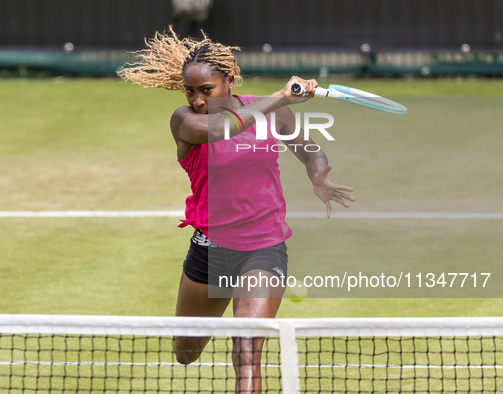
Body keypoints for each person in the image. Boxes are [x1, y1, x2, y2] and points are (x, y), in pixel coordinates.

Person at [118, 27, 355, 393]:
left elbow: (310, 150)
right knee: (185, 352)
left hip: (263, 247)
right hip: (210, 251)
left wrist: (317, 176)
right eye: (190, 91)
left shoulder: (273, 113)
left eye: (206, 90)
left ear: (229, 81)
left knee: (246, 348)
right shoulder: (185, 121)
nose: (197, 99)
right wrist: (279, 98)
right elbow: (222, 128)